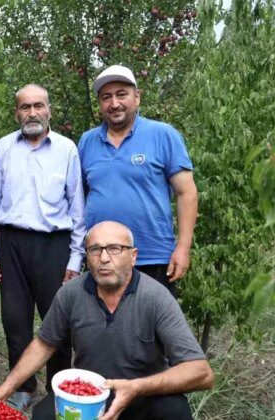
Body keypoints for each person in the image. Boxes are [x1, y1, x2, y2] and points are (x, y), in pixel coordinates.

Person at [0, 221, 214, 420]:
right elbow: (45, 343)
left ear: (133, 256)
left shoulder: (155, 297)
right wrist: (6, 388)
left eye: (115, 248)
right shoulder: (72, 293)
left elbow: (201, 373)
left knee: (175, 411)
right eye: (95, 250)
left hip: (145, 394)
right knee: (43, 415)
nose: (104, 258)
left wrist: (138, 387)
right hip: (88, 398)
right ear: (87, 256)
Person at [0, 84, 86, 409]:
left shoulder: (67, 149)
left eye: (38, 105)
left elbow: (78, 209)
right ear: (17, 113)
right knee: (15, 320)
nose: (32, 112)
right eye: (25, 107)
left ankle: (58, 390)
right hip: (10, 243)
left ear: (49, 110)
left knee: (59, 321)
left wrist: (75, 258)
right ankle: (23, 386)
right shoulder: (4, 147)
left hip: (54, 245)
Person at [78, 65, 198, 296]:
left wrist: (183, 248)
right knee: (102, 329)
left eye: (121, 94)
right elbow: (79, 197)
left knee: (151, 330)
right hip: (100, 258)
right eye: (106, 97)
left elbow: (187, 193)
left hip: (151, 256)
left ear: (137, 96)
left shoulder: (163, 135)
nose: (114, 103)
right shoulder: (87, 142)